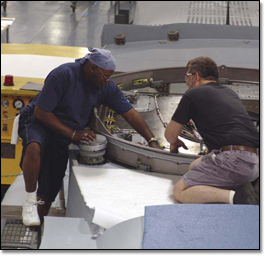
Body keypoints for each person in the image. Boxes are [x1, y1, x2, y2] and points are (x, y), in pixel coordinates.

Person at [18, 48, 161, 227]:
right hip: (39, 122)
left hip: (63, 133)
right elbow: (41, 113)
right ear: (92, 68)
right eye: (106, 76)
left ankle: (36, 224)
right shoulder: (63, 75)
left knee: (50, 186)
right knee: (34, 146)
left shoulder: (104, 86)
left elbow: (130, 114)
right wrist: (74, 134)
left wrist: (152, 141)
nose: (108, 80)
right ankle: (29, 200)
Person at [165, 57, 259, 205]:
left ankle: (238, 198)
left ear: (195, 76)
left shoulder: (192, 95)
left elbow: (170, 135)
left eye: (187, 77)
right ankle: (250, 185)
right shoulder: (230, 92)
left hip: (235, 161)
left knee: (179, 191)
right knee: (194, 165)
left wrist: (175, 141)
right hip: (256, 162)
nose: (186, 81)